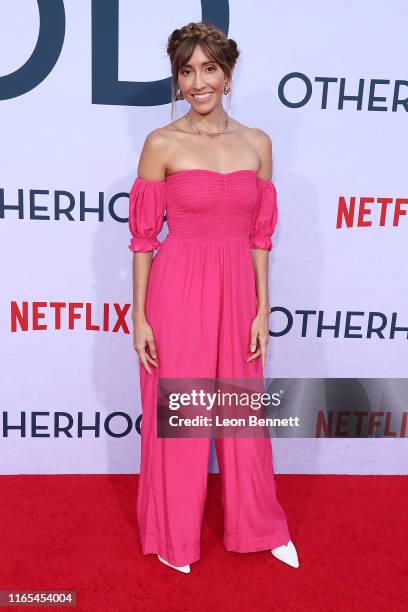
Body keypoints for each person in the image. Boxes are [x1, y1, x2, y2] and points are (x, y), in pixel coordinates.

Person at [128, 21, 299, 573]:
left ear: (227, 73)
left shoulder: (257, 142)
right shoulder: (162, 143)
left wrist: (262, 306)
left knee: (243, 416)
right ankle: (175, 536)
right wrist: (140, 316)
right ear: (176, 80)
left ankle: (258, 525)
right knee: (182, 419)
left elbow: (260, 236)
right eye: (186, 70)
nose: (198, 81)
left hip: (239, 286)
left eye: (209, 68)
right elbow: (144, 240)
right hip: (176, 289)